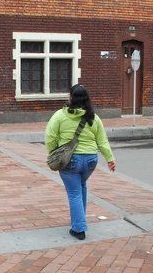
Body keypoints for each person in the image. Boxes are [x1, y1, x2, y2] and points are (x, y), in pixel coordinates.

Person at [45, 84, 116, 240]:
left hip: (70, 160)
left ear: (71, 97)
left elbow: (50, 136)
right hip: (91, 160)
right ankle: (80, 220)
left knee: (74, 193)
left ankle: (78, 229)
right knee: (81, 187)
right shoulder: (93, 118)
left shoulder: (60, 116)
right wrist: (110, 159)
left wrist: (54, 152)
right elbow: (102, 141)